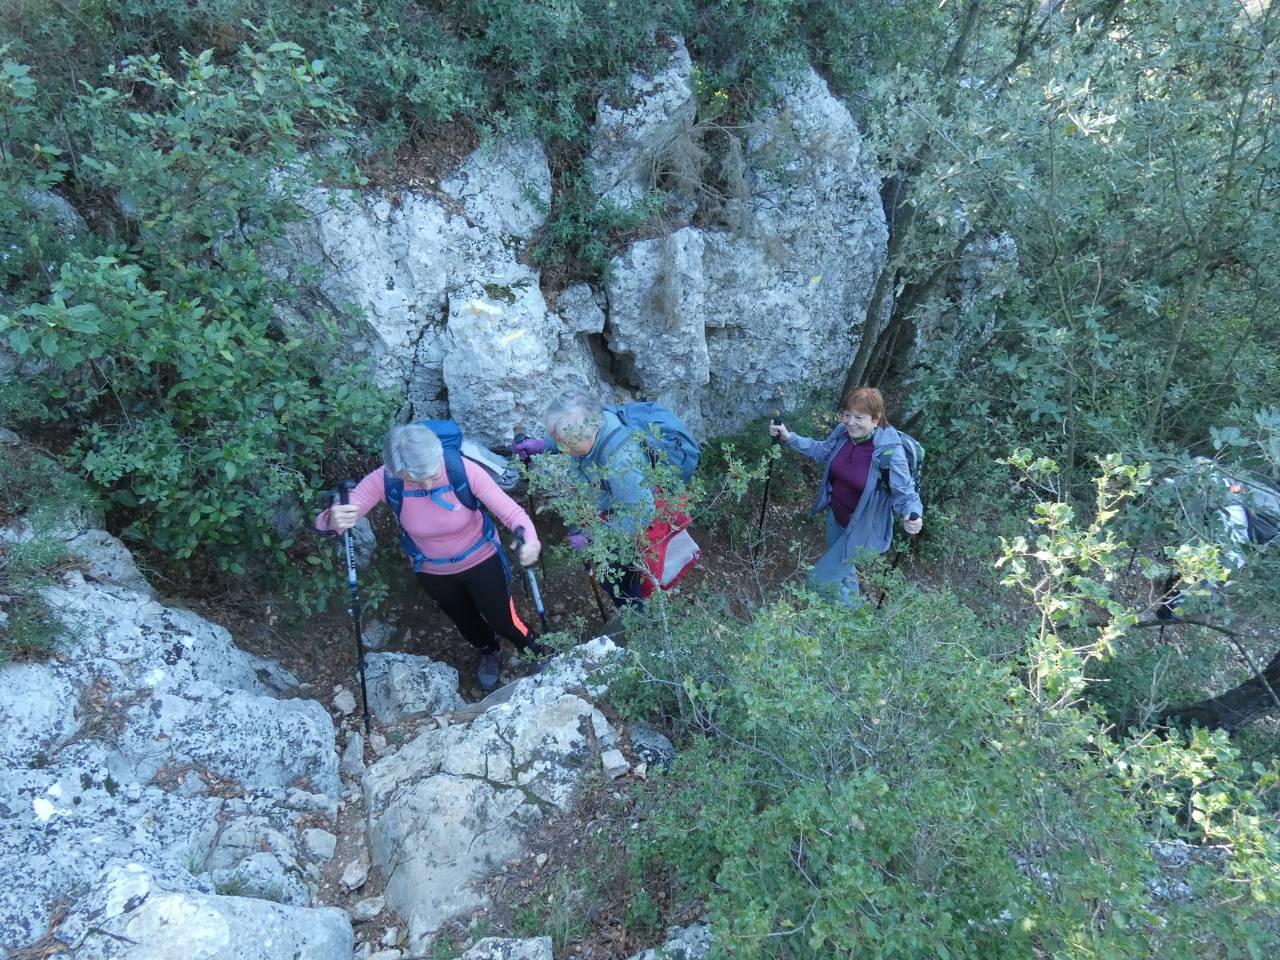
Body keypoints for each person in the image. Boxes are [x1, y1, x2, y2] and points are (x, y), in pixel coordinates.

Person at [315, 423, 546, 690]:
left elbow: (513, 514)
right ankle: (490, 652)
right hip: (433, 572)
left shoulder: (463, 470)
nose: (425, 483)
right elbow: (330, 523)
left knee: (503, 619)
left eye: (431, 474)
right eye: (413, 480)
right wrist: (333, 518)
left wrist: (530, 541)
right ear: (395, 471)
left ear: (438, 455)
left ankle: (537, 651)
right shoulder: (386, 479)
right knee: (466, 622)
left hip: (482, 560)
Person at [770, 386, 923, 605]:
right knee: (844, 574)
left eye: (858, 417)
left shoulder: (889, 452)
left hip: (863, 531)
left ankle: (845, 623)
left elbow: (906, 492)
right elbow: (821, 451)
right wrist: (789, 437)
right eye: (847, 415)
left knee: (819, 581)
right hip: (837, 518)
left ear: (876, 419)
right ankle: (851, 624)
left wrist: (913, 514)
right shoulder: (844, 433)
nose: (850, 422)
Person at [512, 390, 657, 608]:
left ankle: (636, 618)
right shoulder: (591, 427)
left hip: (621, 526)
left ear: (590, 432)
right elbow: (568, 438)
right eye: (558, 440)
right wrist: (543, 445)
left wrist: (594, 538)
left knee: (619, 579)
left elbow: (642, 513)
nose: (562, 448)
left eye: (565, 443)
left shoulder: (622, 461)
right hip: (601, 510)